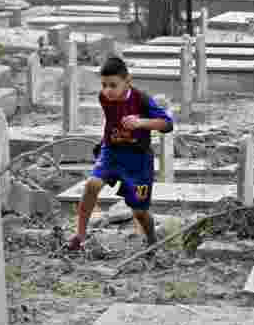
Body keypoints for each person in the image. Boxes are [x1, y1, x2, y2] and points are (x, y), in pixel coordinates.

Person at [67, 56, 175, 252]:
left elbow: (167, 124)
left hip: (138, 161)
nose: (107, 90)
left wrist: (141, 122)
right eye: (104, 85)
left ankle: (152, 241)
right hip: (112, 153)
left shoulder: (141, 100)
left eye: (113, 85)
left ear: (128, 81)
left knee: (140, 212)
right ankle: (79, 236)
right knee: (92, 184)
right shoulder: (104, 98)